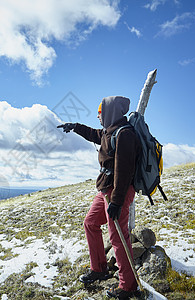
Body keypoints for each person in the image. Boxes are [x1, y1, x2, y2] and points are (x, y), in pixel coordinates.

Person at [58, 96, 141, 299]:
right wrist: (75, 126)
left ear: (109, 112)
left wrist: (117, 201)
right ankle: (99, 269)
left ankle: (128, 286)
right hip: (106, 188)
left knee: (117, 237)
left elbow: (124, 170)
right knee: (90, 223)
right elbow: (94, 134)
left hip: (117, 191)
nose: (98, 116)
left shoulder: (125, 134)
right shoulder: (109, 131)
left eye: (100, 113)